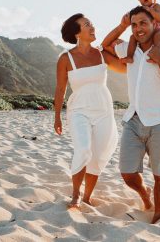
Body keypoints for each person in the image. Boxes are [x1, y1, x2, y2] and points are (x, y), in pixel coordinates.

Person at [102, 6, 160, 223]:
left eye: (143, 23)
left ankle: (158, 217)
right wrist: (122, 25)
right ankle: (143, 194)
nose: (138, 28)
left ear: (154, 24)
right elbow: (105, 46)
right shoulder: (130, 51)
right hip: (134, 119)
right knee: (127, 173)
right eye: (134, 24)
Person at [54, 13, 126, 209]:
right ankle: (76, 194)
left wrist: (120, 39)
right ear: (77, 33)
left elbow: (124, 67)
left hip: (103, 110)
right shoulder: (65, 58)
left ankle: (87, 196)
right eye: (87, 25)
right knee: (84, 149)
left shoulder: (102, 54)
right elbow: (60, 89)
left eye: (92, 23)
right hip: (78, 110)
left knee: (99, 154)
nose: (92, 27)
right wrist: (57, 117)